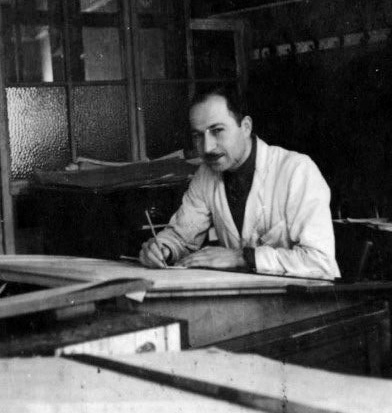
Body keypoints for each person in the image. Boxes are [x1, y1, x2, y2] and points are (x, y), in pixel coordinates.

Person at [139, 86, 340, 279]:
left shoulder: (297, 169)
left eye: (217, 130)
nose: (207, 147)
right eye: (198, 135)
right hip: (244, 295)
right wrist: (162, 249)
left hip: (302, 299)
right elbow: (182, 236)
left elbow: (320, 262)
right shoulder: (206, 174)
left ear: (245, 127)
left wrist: (243, 257)